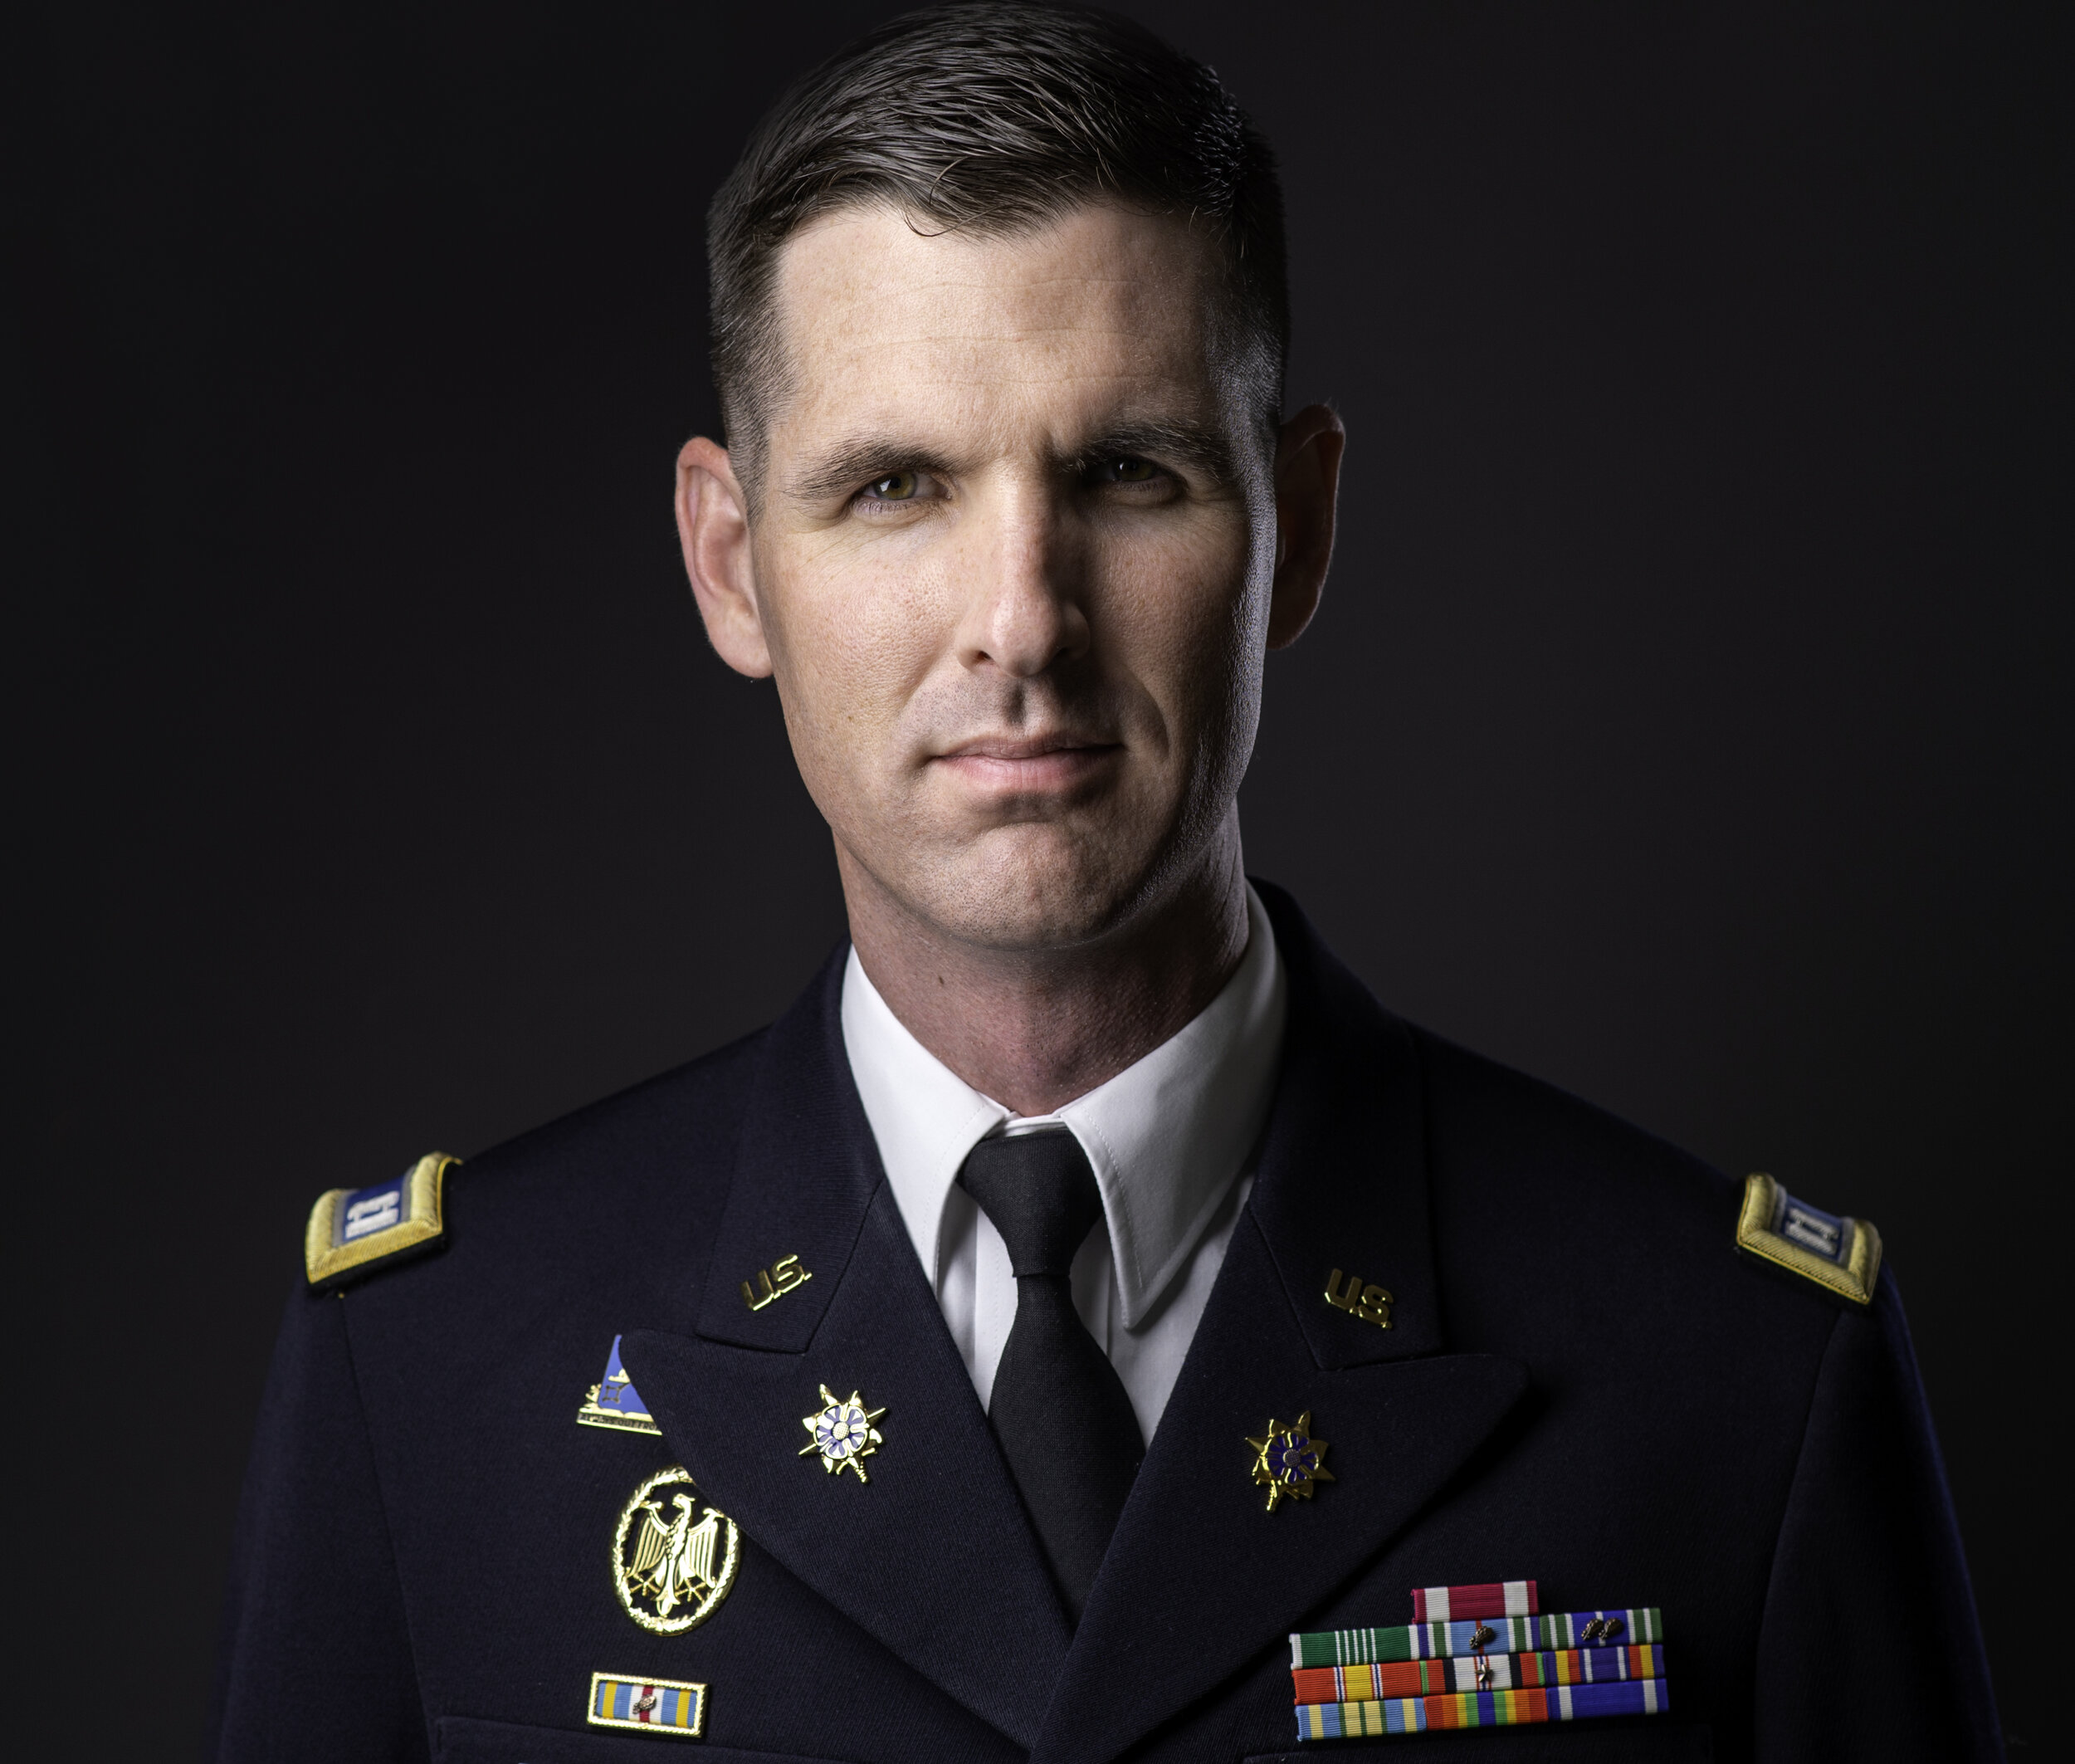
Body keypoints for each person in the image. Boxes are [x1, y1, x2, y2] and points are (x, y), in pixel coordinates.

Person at [207, 7, 2001, 1761]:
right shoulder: (433, 1371)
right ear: (732, 565)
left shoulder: (1730, 1377)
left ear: (1289, 527)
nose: (1021, 623)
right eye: (895, 484)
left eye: (1127, 474)